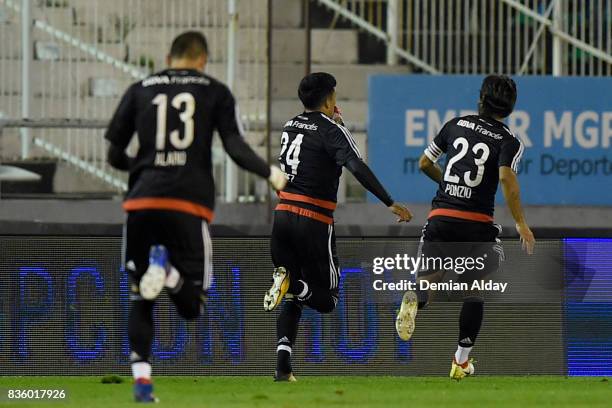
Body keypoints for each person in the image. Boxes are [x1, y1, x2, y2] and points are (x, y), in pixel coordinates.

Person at [105, 31, 287, 402]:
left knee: (140, 296)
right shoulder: (214, 91)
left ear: (169, 56)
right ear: (202, 59)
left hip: (141, 204)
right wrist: (269, 173)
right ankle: (169, 272)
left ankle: (142, 384)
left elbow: (113, 154)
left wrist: (140, 170)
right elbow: (234, 146)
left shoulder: (139, 89)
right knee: (191, 307)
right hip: (187, 204)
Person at [264, 72, 413, 381]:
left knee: (293, 296)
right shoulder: (331, 130)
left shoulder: (291, 125)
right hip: (313, 220)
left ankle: (283, 367)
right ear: (329, 99)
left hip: (282, 217)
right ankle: (290, 284)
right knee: (326, 298)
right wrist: (388, 201)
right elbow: (355, 164)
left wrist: (338, 126)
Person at [395, 74, 535, 380]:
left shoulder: (454, 125)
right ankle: (460, 361)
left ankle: (414, 299)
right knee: (475, 287)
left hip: (442, 217)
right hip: (477, 224)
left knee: (428, 282)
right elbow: (507, 178)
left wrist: (448, 182)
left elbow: (423, 164)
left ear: (481, 99)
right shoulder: (510, 142)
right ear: (510, 109)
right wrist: (522, 223)